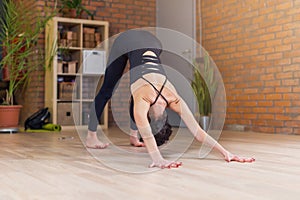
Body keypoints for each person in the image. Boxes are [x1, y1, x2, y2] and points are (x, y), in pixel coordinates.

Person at [85, 30, 255, 169]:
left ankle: (131, 137)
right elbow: (197, 134)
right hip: (128, 41)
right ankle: (91, 137)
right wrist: (157, 159)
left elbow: (198, 134)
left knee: (126, 92)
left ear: (166, 116)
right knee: (107, 89)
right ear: (147, 119)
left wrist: (227, 153)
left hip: (153, 43)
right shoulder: (145, 99)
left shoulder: (172, 98)